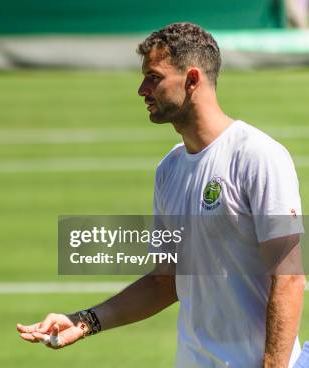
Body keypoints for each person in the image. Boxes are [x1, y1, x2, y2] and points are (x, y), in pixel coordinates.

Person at [17, 22, 305, 367]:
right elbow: (164, 280)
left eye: (153, 77)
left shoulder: (258, 156)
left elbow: (288, 277)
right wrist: (84, 321)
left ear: (192, 79)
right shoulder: (169, 169)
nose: (142, 89)